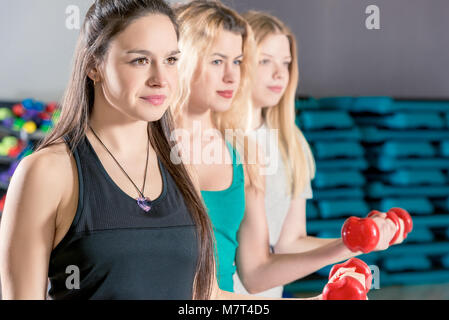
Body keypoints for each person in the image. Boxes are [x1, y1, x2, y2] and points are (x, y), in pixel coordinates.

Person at [172, 0, 401, 298]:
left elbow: (257, 270)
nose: (231, 75)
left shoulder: (250, 153)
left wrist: (352, 244)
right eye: (217, 61)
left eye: (238, 62)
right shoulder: (148, 147)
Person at [0, 0, 218, 300]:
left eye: (170, 60)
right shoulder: (48, 172)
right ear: (93, 65)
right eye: (140, 60)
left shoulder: (182, 169)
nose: (161, 79)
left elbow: (203, 297)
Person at [232, 10, 407, 297]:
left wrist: (363, 240)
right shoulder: (218, 143)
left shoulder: (291, 142)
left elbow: (290, 242)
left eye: (286, 63)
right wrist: (348, 245)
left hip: (268, 293)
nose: (279, 74)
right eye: (265, 61)